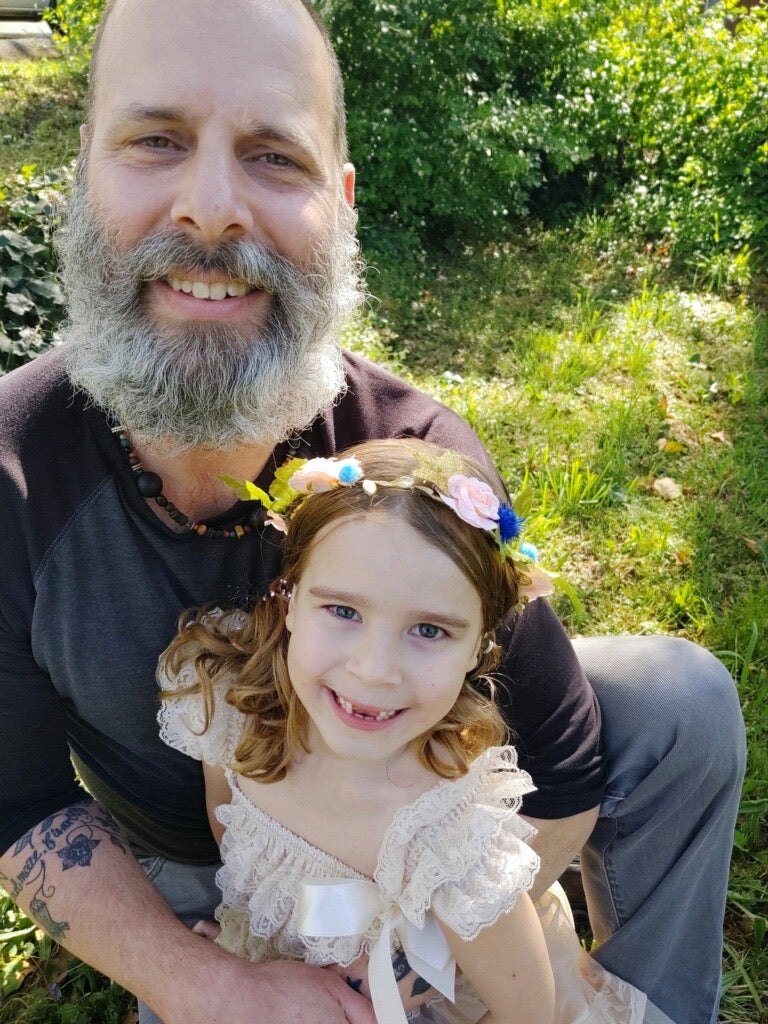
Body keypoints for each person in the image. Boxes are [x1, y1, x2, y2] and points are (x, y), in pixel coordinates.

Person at [0, 0, 744, 1022]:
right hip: (190, 874)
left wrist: (425, 937)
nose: (210, 207)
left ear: (340, 207)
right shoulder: (12, 472)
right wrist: (211, 981)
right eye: (157, 140)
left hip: (419, 829)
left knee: (679, 703)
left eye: (273, 156)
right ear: (86, 168)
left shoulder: (422, 460)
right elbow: (18, 797)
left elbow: (564, 762)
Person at [157, 438, 667, 1024]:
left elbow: (528, 1013)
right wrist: (239, 957)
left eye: (428, 630)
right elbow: (231, 841)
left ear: (478, 651)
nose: (374, 670)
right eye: (343, 612)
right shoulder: (230, 710)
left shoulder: (448, 838)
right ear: (290, 599)